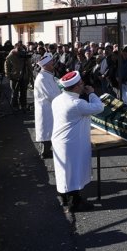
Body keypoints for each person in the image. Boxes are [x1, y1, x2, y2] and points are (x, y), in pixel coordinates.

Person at [51, 71, 105, 212]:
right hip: (72, 142)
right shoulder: (77, 103)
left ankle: (64, 197)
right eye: (81, 84)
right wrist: (92, 93)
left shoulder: (58, 99)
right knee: (74, 172)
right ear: (76, 87)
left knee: (64, 171)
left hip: (60, 140)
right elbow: (99, 107)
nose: (83, 86)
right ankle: (75, 202)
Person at [33, 54, 60, 159]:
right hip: (46, 108)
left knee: (50, 129)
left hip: (50, 107)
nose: (53, 65)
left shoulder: (48, 75)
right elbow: (50, 95)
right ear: (46, 65)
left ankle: (47, 150)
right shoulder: (42, 78)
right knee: (46, 130)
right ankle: (44, 152)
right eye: (51, 63)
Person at [4, 42, 31, 110]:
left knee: (23, 92)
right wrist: (8, 74)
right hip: (14, 76)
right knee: (14, 92)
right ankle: (15, 106)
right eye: (18, 49)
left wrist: (30, 76)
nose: (20, 51)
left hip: (24, 76)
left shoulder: (24, 55)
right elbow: (6, 64)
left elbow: (29, 66)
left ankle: (23, 105)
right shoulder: (12, 55)